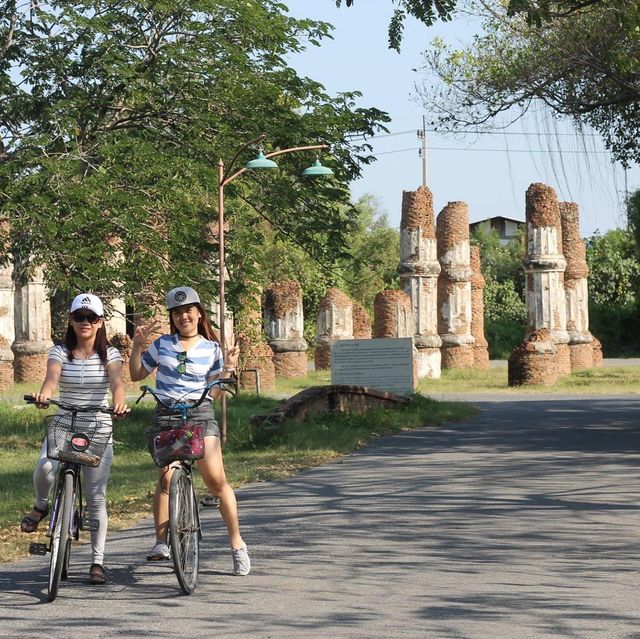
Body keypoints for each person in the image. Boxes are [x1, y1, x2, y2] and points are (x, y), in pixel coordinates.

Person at [129, 285, 250, 576]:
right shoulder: (161, 345)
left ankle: (237, 544)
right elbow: (135, 375)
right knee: (166, 478)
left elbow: (217, 393)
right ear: (173, 317)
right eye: (177, 312)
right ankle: (161, 542)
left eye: (188, 310)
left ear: (198, 313)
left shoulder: (212, 349)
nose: (184, 316)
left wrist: (228, 370)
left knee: (216, 481)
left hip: (200, 414)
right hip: (167, 415)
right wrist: (137, 346)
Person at [20, 293, 128, 585]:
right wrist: (45, 394)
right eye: (79, 317)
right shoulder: (59, 351)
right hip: (65, 421)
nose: (85, 323)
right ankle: (42, 505)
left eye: (91, 318)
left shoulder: (111, 354)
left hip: (97, 424)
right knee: (44, 468)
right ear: (70, 319)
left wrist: (119, 403)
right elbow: (52, 378)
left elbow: (118, 384)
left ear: (100, 322)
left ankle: (97, 561)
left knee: (96, 496)